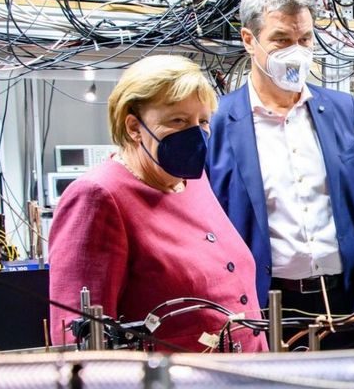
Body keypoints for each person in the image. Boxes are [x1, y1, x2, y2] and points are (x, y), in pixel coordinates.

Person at [48, 55, 267, 353]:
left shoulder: (193, 180)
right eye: (178, 120)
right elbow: (77, 339)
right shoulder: (99, 196)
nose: (195, 134)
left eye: (202, 121)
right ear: (134, 127)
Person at [207, 0, 354, 348]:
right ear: (249, 40)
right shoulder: (218, 121)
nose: (296, 52)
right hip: (266, 307)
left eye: (305, 38)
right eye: (281, 40)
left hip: (345, 303)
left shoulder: (343, 110)